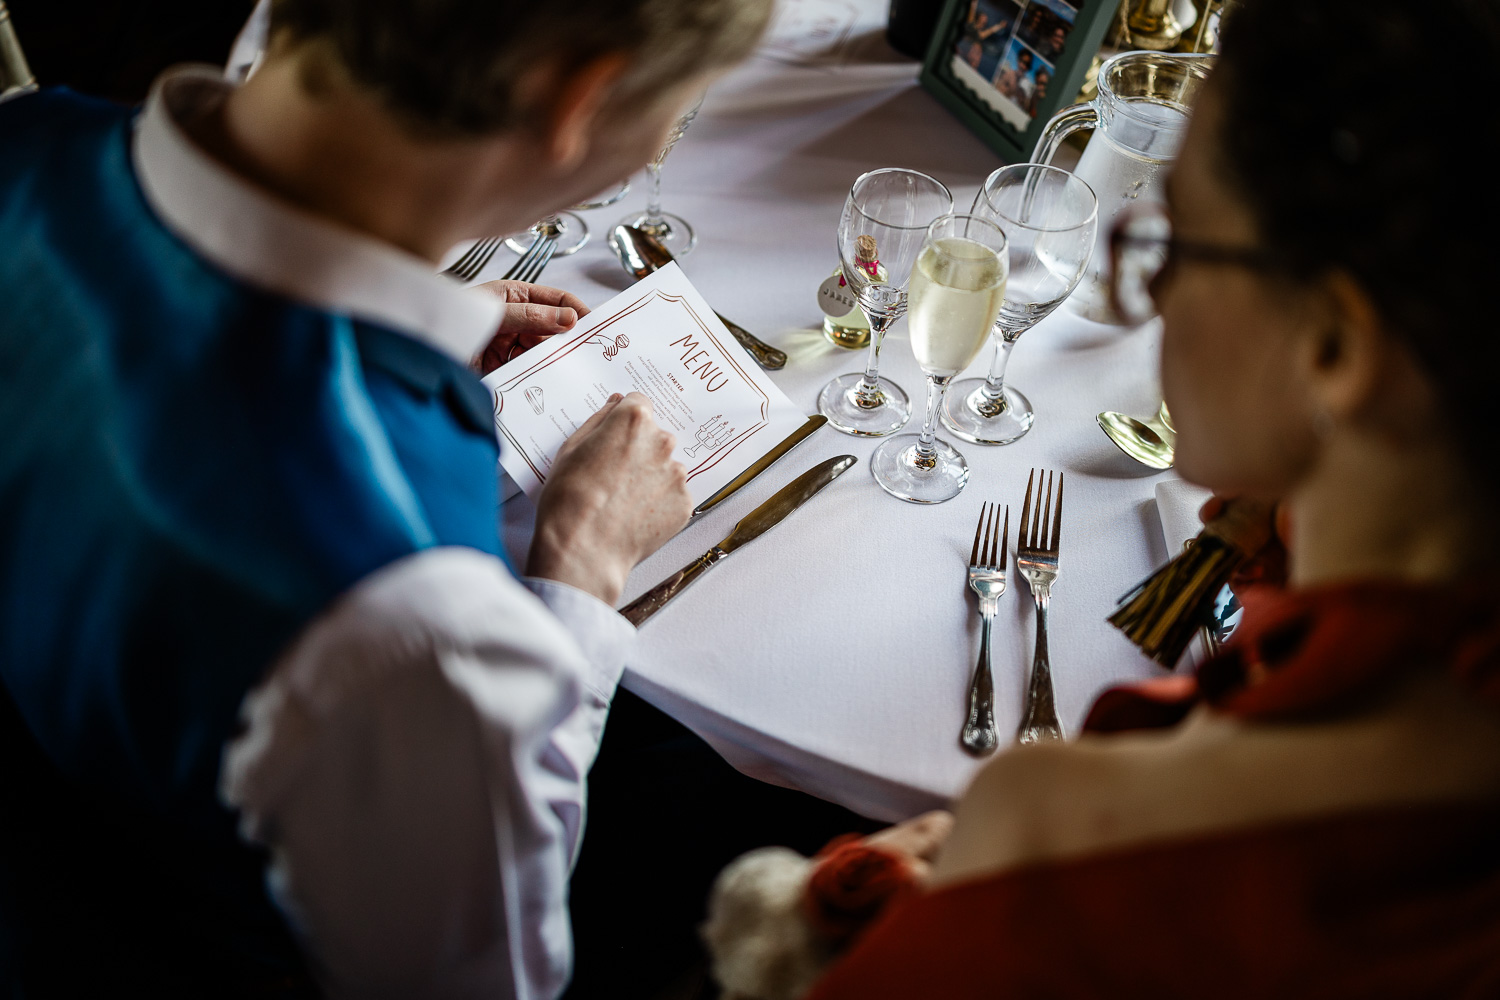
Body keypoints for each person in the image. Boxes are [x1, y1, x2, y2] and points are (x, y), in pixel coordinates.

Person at [702, 0, 1500, 995]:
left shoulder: (1075, 849)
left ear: (1335, 346)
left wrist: (825, 927)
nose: (1149, 295)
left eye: (1177, 241)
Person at [0, 0, 771, 996]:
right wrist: (580, 572)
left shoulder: (21, 141)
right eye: (682, 104)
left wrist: (416, 318)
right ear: (576, 97)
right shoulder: (414, 624)